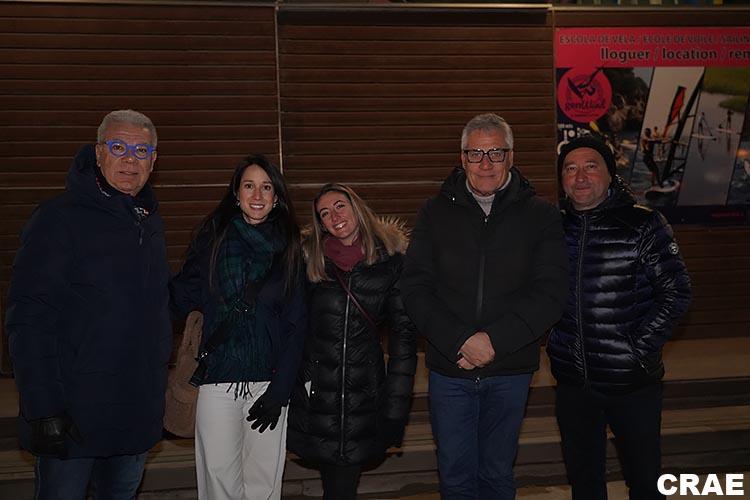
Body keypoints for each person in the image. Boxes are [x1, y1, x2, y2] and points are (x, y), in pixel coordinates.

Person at [401, 113, 569, 499]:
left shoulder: (541, 215)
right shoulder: (434, 213)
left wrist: (493, 342)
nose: (486, 163)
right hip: (451, 369)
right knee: (455, 478)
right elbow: (415, 288)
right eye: (476, 153)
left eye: (496, 152)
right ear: (463, 158)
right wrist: (461, 340)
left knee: (496, 474)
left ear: (511, 156)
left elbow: (550, 292)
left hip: (510, 368)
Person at [5, 109, 171, 499]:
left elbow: (153, 305)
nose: (130, 160)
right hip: (73, 418)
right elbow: (29, 318)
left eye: (141, 150)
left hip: (133, 415)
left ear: (153, 160)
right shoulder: (57, 219)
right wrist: (43, 407)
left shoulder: (148, 222)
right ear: (98, 153)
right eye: (118, 147)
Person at [548, 137, 692, 500]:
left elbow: (676, 292)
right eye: (570, 169)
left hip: (632, 383)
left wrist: (637, 350)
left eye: (591, 166)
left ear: (610, 174)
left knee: (645, 482)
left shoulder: (644, 223)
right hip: (573, 383)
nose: (580, 176)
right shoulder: (552, 229)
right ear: (562, 180)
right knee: (584, 483)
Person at [169, 154, 307, 500]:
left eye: (266, 187)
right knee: (219, 486)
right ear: (236, 194)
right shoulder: (213, 242)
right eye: (249, 186)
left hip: (268, 383)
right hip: (217, 379)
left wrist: (280, 392)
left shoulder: (291, 249)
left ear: (276, 198)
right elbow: (180, 299)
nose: (257, 195)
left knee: (263, 486)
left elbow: (297, 325)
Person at [287, 183, 417, 500]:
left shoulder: (391, 262)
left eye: (340, 206)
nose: (334, 216)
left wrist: (396, 408)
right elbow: (290, 328)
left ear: (356, 207)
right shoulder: (309, 261)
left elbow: (403, 341)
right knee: (335, 485)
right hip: (317, 396)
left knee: (342, 486)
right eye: (325, 213)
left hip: (364, 397)